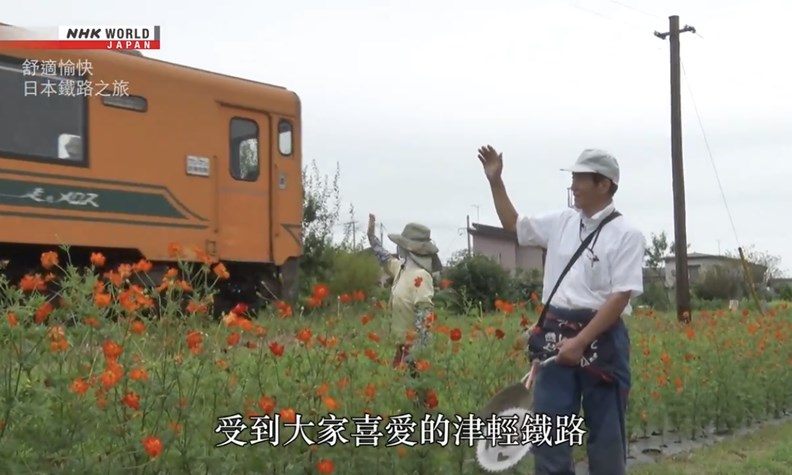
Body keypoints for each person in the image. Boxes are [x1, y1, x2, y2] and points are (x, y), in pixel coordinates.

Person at [476, 145, 645, 475]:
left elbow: (620, 296)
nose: (573, 185)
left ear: (604, 184)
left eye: (580, 178)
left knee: (606, 438)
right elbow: (513, 224)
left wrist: (581, 341)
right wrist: (496, 181)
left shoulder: (627, 235)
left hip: (602, 339)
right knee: (549, 435)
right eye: (573, 178)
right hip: (554, 335)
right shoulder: (562, 222)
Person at [366, 213, 442, 371]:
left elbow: (425, 318)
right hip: (401, 348)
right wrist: (371, 237)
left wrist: (416, 356)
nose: (397, 247)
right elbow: (385, 258)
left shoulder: (421, 276)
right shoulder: (401, 268)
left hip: (412, 352)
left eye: (400, 243)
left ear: (407, 248)